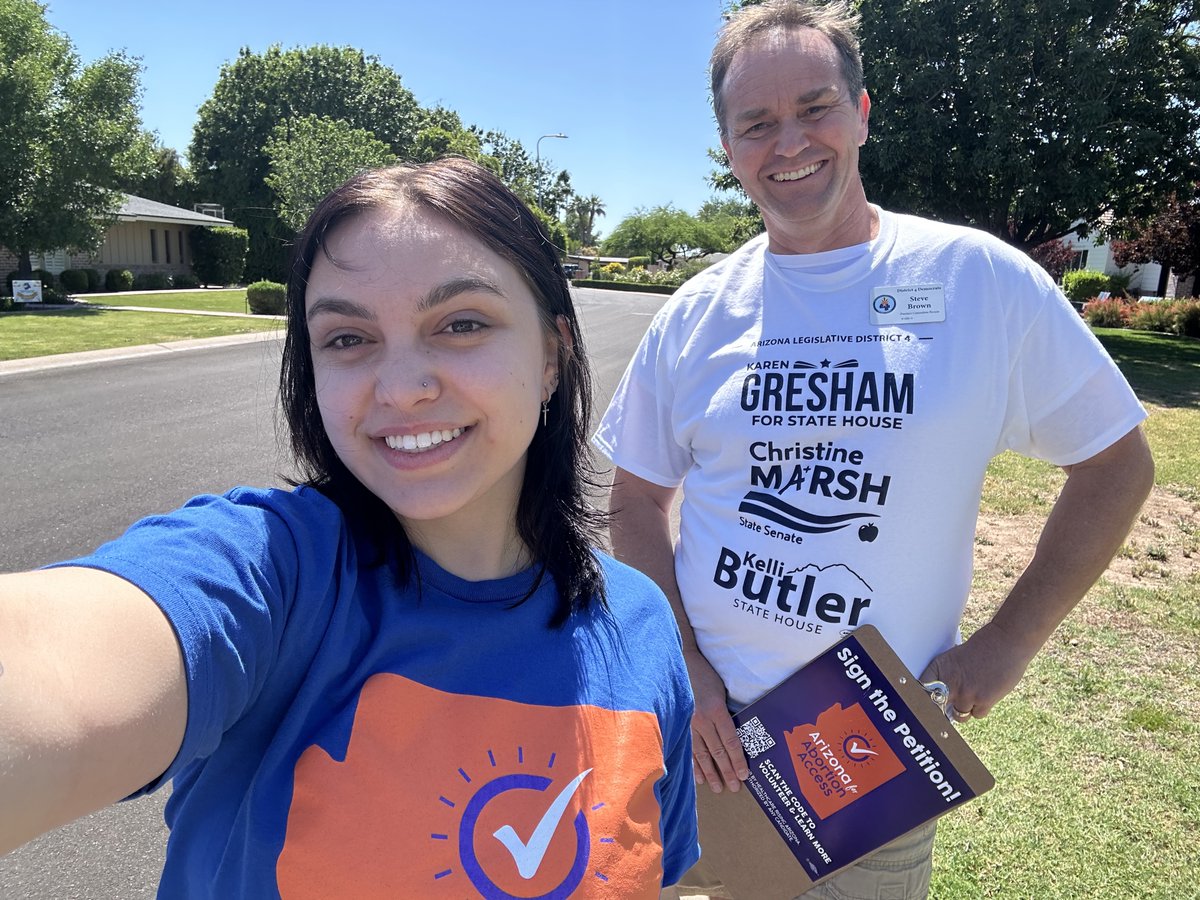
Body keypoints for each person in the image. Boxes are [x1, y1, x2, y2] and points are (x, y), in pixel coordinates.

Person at [0, 157, 699, 897]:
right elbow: (51, 670)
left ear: (552, 354)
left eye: (461, 324)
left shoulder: (640, 627)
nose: (400, 388)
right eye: (347, 338)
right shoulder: (274, 575)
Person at [593, 2, 1155, 897]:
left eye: (814, 107)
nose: (789, 143)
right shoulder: (698, 312)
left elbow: (1116, 463)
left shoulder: (981, 281)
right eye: (756, 124)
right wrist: (687, 672)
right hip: (705, 732)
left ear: (861, 112)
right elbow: (633, 502)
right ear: (729, 147)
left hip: (865, 742)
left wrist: (1008, 644)